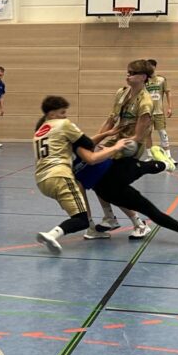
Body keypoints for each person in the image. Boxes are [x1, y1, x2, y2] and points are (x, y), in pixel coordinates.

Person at [33, 95, 132, 254]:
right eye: (62, 112)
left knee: (79, 213)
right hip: (60, 176)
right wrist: (116, 147)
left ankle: (92, 231)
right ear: (51, 114)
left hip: (42, 181)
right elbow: (88, 144)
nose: (65, 116)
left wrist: (107, 133)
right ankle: (51, 235)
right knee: (81, 219)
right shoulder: (64, 124)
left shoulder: (39, 132)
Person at [89, 59, 159, 239]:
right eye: (128, 72)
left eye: (132, 73)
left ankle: (139, 224)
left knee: (110, 185)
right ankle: (109, 218)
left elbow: (138, 137)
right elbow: (111, 120)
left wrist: (115, 149)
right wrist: (97, 140)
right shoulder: (121, 93)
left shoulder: (145, 102)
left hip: (130, 147)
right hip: (116, 140)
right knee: (95, 176)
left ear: (143, 77)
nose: (128, 75)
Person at [143, 58, 176, 165]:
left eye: (150, 66)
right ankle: (150, 156)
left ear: (154, 67)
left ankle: (168, 156)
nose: (148, 68)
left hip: (159, 112)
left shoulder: (161, 79)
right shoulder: (144, 81)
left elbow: (168, 93)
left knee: (163, 133)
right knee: (147, 134)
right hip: (147, 113)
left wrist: (170, 107)